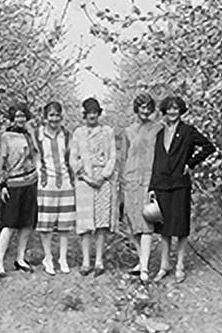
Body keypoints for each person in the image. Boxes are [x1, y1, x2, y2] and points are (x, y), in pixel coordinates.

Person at [148, 95, 216, 283]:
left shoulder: (188, 131)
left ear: (181, 110)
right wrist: (152, 186)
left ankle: (179, 265)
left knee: (180, 226)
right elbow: (157, 160)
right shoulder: (160, 133)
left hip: (180, 183)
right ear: (164, 111)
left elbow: (209, 147)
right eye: (169, 108)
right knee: (164, 227)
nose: (172, 112)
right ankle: (164, 265)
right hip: (162, 184)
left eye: (176, 108)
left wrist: (190, 163)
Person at [69, 97, 117, 276]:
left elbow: (113, 155)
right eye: (89, 113)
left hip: (103, 180)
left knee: (101, 222)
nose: (92, 116)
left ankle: (99, 261)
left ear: (99, 114)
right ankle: (85, 261)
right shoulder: (78, 133)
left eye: (95, 113)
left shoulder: (107, 132)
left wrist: (104, 175)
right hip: (84, 181)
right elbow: (73, 158)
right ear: (84, 114)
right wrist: (85, 176)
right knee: (85, 223)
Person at [0, 102, 38, 285]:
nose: (20, 119)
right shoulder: (6, 136)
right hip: (13, 183)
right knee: (9, 223)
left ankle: (20, 258)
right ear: (12, 118)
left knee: (27, 223)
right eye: (17, 116)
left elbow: (36, 153)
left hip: (30, 181)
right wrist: (2, 184)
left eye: (23, 116)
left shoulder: (29, 134)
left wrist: (32, 132)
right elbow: (2, 160)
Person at [119, 93, 162, 282]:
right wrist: (122, 181)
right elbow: (123, 157)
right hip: (130, 180)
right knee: (132, 224)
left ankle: (144, 268)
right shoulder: (128, 131)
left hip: (149, 180)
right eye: (142, 107)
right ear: (136, 108)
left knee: (146, 224)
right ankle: (141, 260)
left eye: (148, 108)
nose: (145, 111)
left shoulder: (158, 129)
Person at [34, 101, 76, 275]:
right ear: (45, 117)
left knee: (64, 224)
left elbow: (71, 158)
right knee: (46, 223)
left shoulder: (66, 135)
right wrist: (39, 175)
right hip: (46, 182)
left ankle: (63, 258)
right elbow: (36, 157)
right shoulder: (38, 135)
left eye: (57, 115)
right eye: (51, 115)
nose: (54, 119)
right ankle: (48, 257)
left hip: (65, 181)